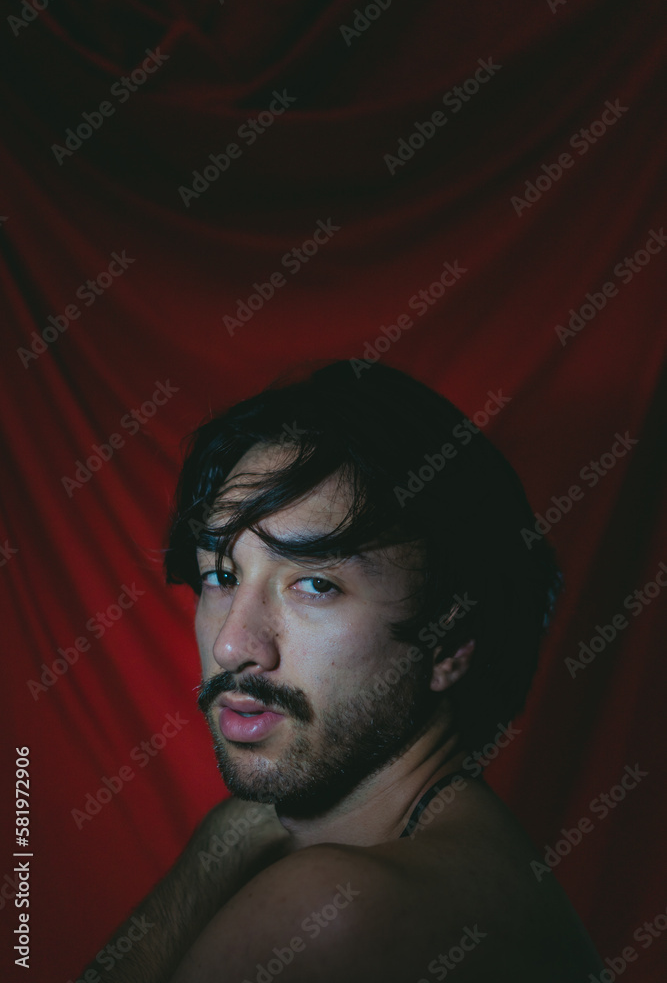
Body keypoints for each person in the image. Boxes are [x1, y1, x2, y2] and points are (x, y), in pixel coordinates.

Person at [79, 360, 605, 983]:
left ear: (449, 643)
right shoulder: (469, 852)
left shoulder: (333, 907)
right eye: (222, 576)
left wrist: (226, 842)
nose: (232, 647)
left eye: (314, 584)